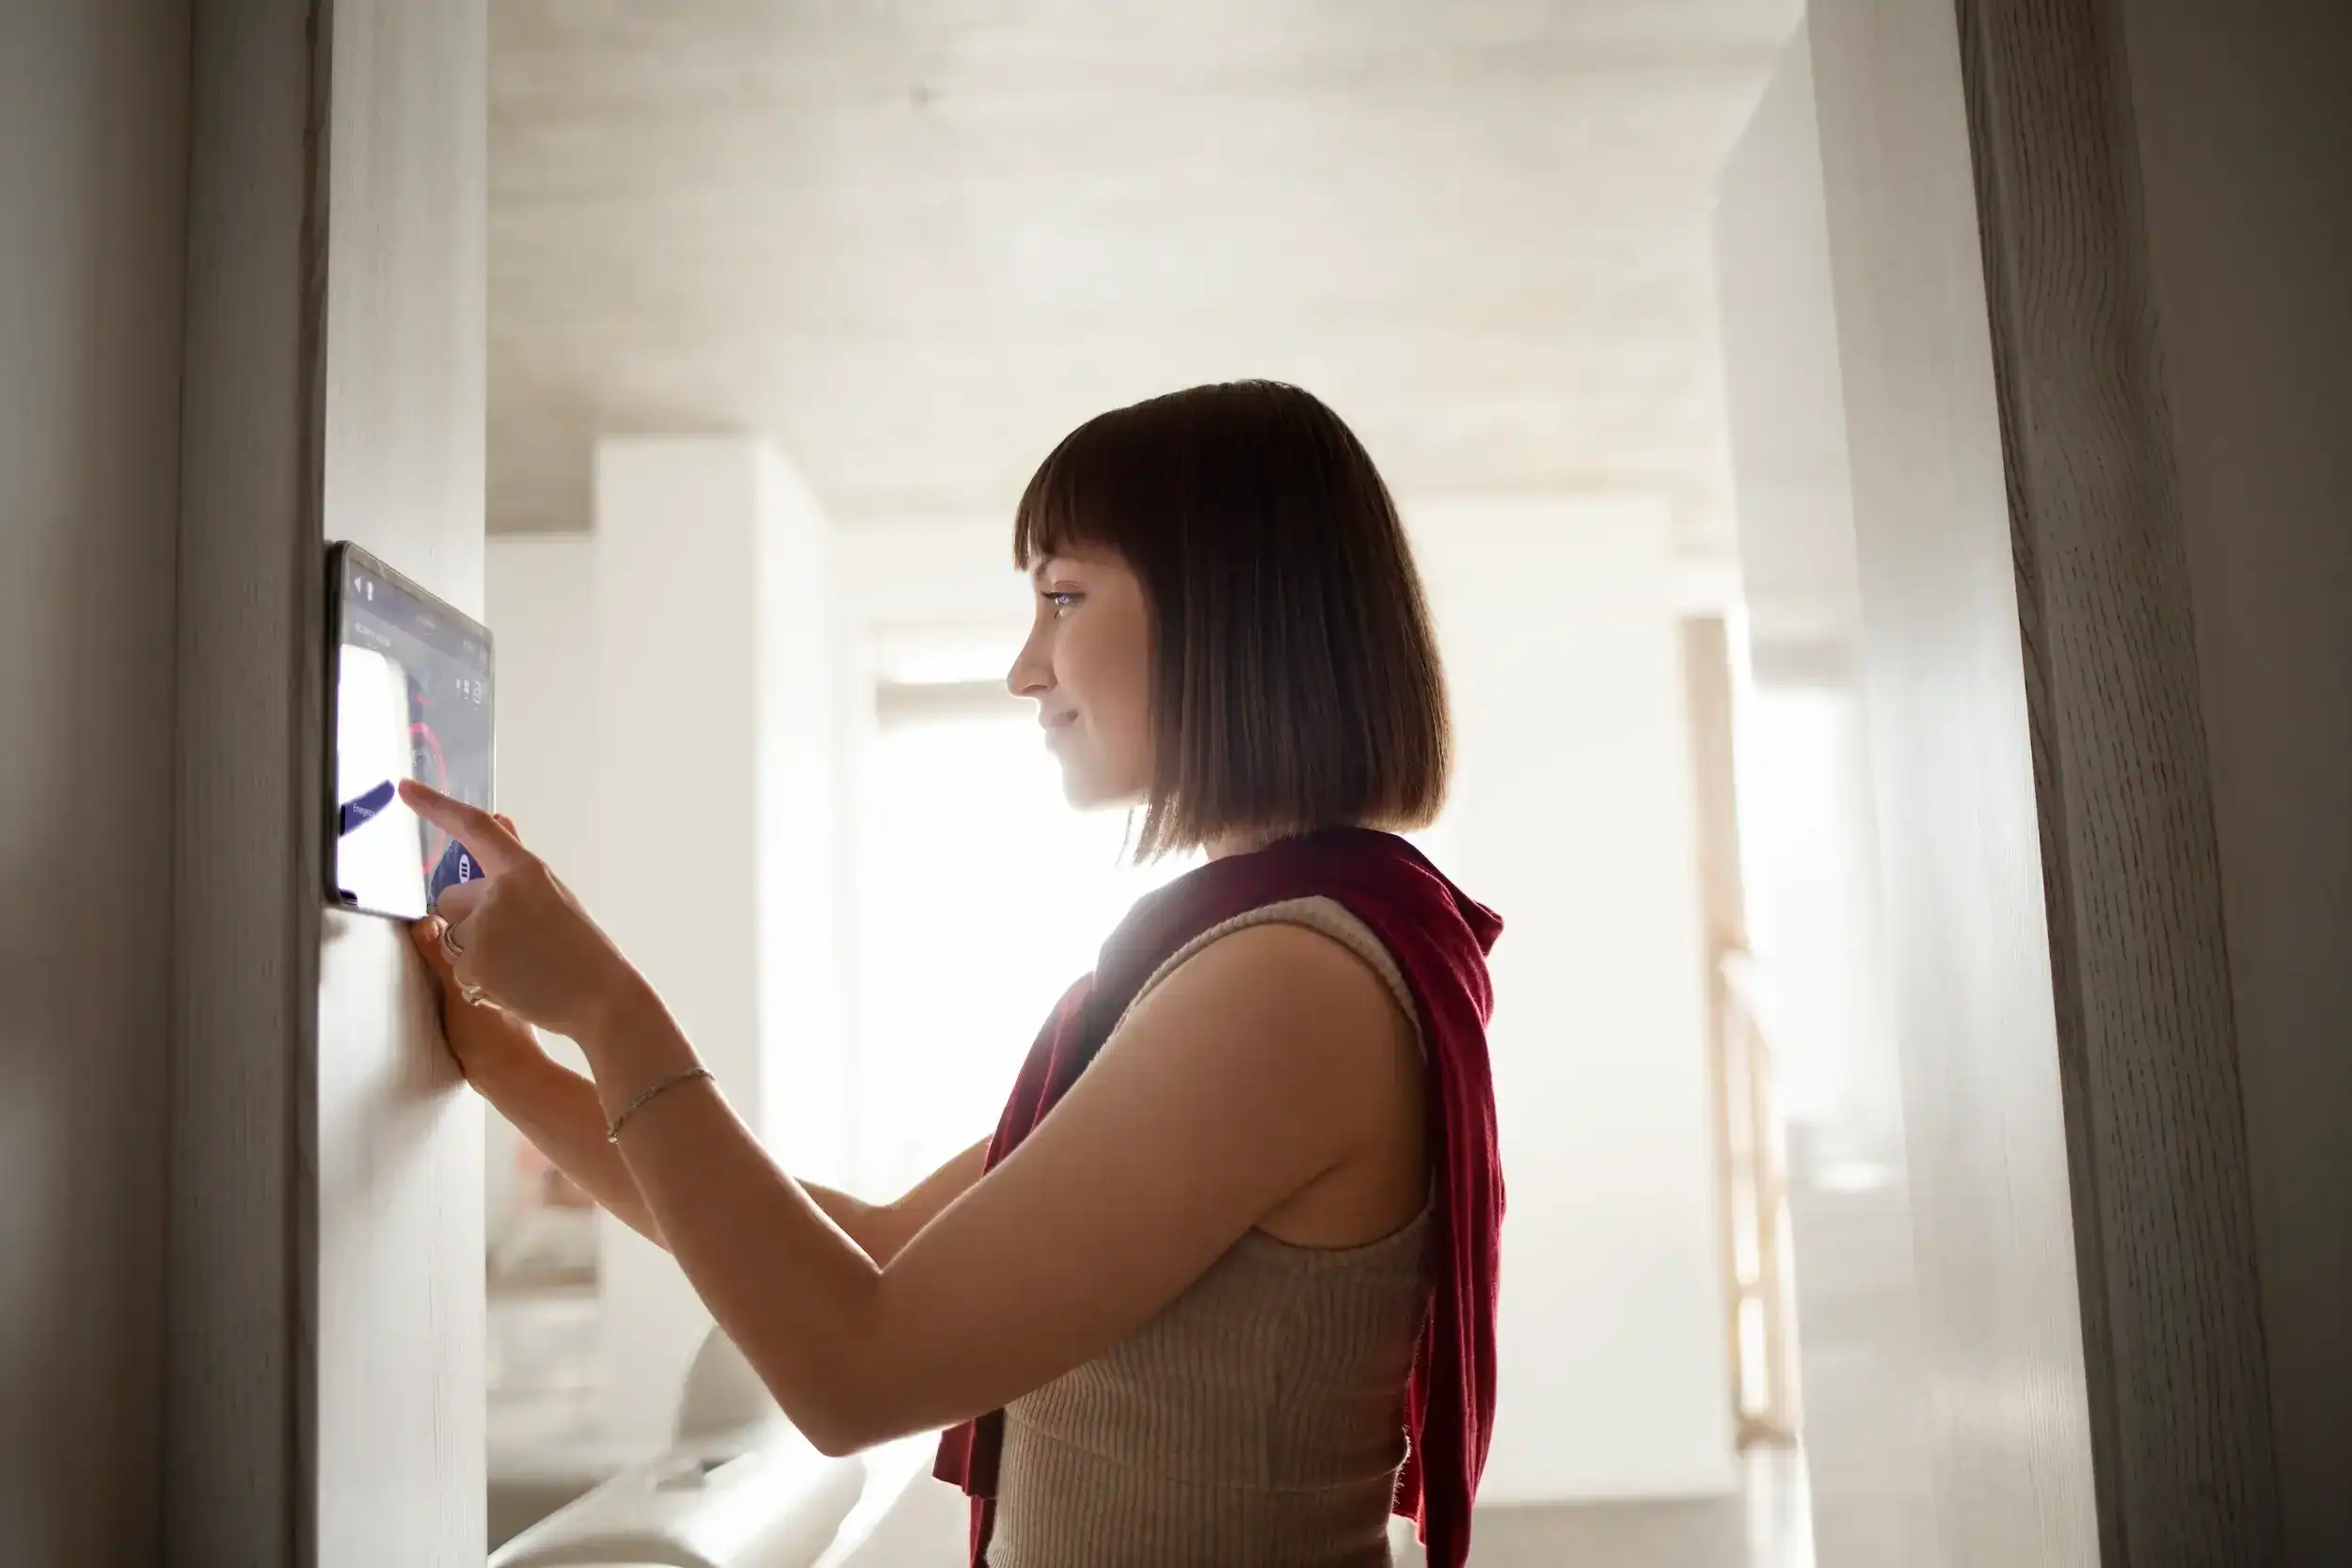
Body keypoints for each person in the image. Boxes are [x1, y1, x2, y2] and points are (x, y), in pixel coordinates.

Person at [410, 380, 1505, 1568]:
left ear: (1230, 615)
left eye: (1063, 597)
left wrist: (607, 1006)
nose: (1025, 669)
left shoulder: (1284, 985)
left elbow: (855, 1368)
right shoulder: (1264, 956)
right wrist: (509, 1056)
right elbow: (873, 1250)